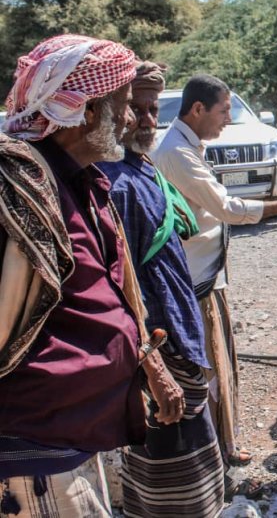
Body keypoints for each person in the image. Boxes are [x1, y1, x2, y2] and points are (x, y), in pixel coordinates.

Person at [0, 34, 182, 517]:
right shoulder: (17, 186)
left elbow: (110, 295)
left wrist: (147, 363)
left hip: (73, 438)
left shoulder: (84, 181)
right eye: (122, 105)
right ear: (83, 111)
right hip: (30, 449)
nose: (128, 120)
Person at [151, 74, 277, 471]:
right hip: (196, 282)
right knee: (209, 367)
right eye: (223, 110)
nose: (227, 119)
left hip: (208, 277)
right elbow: (226, 208)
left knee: (220, 362)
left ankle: (223, 446)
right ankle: (215, 455)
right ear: (198, 109)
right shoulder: (177, 153)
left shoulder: (189, 147)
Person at [96, 62, 225, 516]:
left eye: (153, 109)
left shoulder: (141, 167)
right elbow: (116, 286)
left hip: (178, 342)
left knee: (194, 473)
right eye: (136, 108)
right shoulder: (110, 182)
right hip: (157, 353)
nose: (148, 119)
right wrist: (153, 368)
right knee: (168, 487)